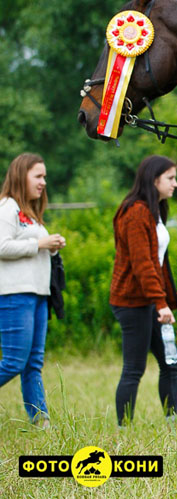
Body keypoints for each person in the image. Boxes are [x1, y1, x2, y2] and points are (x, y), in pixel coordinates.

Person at [110, 155, 177, 427]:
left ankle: (174, 423)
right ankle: (124, 429)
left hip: (151, 300)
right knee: (134, 368)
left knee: (170, 363)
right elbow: (143, 265)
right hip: (132, 302)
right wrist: (160, 303)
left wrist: (169, 296)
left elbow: (159, 261)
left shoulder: (155, 210)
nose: (175, 184)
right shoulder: (135, 212)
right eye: (170, 178)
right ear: (154, 180)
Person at [0, 153, 65, 427]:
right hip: (15, 295)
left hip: (38, 295)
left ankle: (41, 421)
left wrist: (51, 246)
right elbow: (1, 247)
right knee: (14, 361)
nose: (43, 182)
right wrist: (39, 245)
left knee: (32, 363)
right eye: (38, 176)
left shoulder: (31, 215)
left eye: (45, 177)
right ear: (20, 175)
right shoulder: (7, 207)